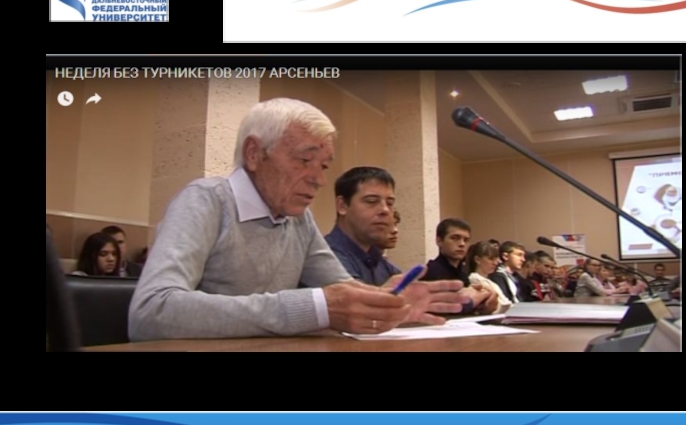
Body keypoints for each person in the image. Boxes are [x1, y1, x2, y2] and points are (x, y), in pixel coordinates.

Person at [129, 98, 467, 341]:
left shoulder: (298, 219)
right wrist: (313, 308)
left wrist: (386, 303)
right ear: (254, 153)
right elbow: (150, 312)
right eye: (305, 160)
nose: (319, 180)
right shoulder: (205, 200)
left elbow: (341, 290)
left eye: (323, 166)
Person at [325, 167, 402, 286]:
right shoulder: (325, 257)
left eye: (390, 203)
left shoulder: (381, 262)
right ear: (342, 206)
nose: (385, 210)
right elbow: (352, 295)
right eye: (371, 201)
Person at [422, 219, 497, 314]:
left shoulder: (463, 273)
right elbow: (440, 312)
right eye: (454, 238)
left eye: (466, 240)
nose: (462, 244)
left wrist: (486, 305)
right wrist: (471, 301)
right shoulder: (431, 271)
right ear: (439, 241)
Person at [465, 241, 512, 314]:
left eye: (496, 259)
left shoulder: (491, 282)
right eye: (491, 259)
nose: (495, 263)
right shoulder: (474, 278)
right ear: (477, 260)